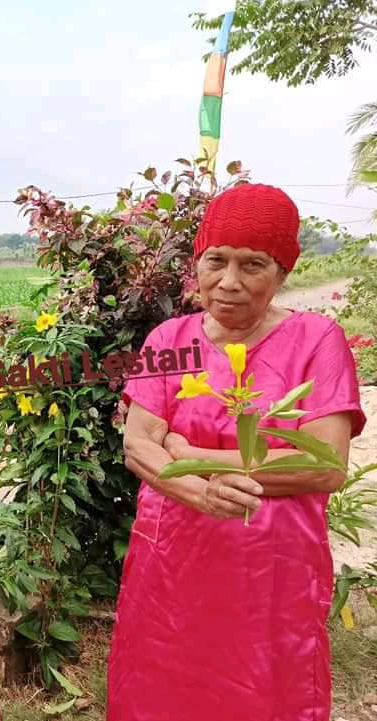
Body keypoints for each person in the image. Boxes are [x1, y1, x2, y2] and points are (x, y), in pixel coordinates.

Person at [107, 183, 366, 721]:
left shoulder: (316, 341)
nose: (229, 281)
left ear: (283, 272)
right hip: (171, 565)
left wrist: (192, 454)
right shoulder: (169, 340)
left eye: (253, 264)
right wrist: (198, 491)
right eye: (216, 260)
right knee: (161, 688)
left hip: (270, 571)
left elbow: (324, 464)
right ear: (197, 263)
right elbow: (138, 443)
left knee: (264, 693)